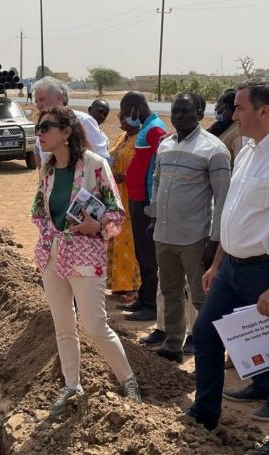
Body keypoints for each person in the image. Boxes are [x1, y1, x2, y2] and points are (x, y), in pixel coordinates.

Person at [186, 78, 269, 455]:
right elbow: (234, 212)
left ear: (265, 111)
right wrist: (218, 261)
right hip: (232, 267)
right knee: (206, 335)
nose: (233, 114)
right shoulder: (249, 147)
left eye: (241, 108)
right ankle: (205, 414)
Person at [31, 106, 141, 417]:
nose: (39, 133)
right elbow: (40, 209)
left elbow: (116, 212)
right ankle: (71, 385)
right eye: (38, 128)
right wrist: (48, 237)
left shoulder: (94, 166)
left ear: (66, 133)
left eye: (46, 127)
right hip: (52, 257)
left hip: (84, 257)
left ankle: (128, 381)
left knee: (95, 326)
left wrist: (97, 225)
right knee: (63, 326)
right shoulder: (48, 170)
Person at [147, 93, 231, 363]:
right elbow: (157, 183)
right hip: (165, 235)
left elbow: (223, 200)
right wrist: (154, 216)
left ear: (200, 112)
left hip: (196, 238)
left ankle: (209, 355)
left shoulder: (214, 150)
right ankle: (173, 346)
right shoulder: (165, 145)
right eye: (175, 111)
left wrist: (215, 241)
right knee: (170, 291)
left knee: (202, 299)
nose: (179, 116)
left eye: (185, 111)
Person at [118, 91, 168, 322]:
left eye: (128, 113)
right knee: (141, 252)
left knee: (148, 255)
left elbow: (162, 164)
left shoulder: (155, 129)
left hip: (146, 199)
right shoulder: (147, 127)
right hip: (136, 198)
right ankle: (143, 296)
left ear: (136, 109)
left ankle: (151, 306)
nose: (127, 118)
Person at [106, 97, 142, 305]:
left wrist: (124, 177)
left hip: (131, 196)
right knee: (116, 238)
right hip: (117, 196)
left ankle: (132, 286)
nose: (119, 117)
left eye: (123, 113)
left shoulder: (142, 139)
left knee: (130, 242)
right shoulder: (122, 137)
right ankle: (118, 284)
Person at [32, 76, 111, 169]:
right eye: (36, 101)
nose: (38, 106)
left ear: (59, 98)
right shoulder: (42, 125)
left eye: (42, 99)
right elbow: (40, 156)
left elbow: (102, 157)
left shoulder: (83, 121)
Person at [208, 89, 242, 161]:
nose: (215, 107)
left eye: (218, 103)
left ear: (226, 107)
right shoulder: (220, 126)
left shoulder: (238, 132)